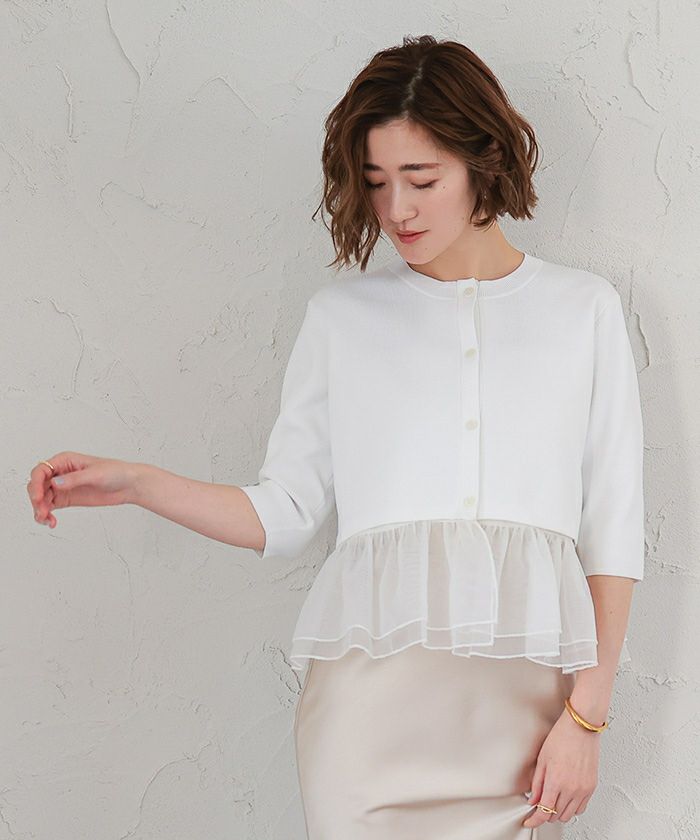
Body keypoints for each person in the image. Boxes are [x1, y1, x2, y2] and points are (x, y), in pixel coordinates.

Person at [27, 35, 645, 840]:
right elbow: (284, 514)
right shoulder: (342, 320)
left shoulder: (584, 310)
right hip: (365, 730)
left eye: (421, 179)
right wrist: (138, 484)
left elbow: (612, 529)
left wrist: (587, 719)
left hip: (526, 730)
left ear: (483, 162)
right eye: (376, 181)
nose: (396, 210)